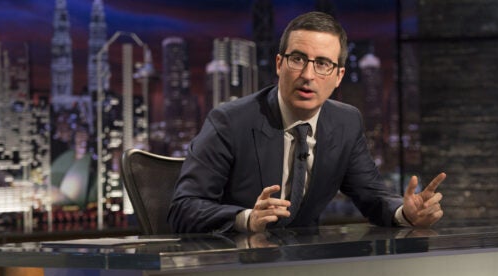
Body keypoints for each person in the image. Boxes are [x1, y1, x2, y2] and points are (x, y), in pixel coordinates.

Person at [168, 11, 445, 233]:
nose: (308, 75)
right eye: (298, 59)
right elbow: (184, 209)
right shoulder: (230, 121)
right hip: (233, 265)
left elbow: (373, 197)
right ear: (279, 64)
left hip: (306, 266)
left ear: (338, 76)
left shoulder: (346, 122)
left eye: (323, 64)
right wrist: (247, 218)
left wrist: (406, 213)